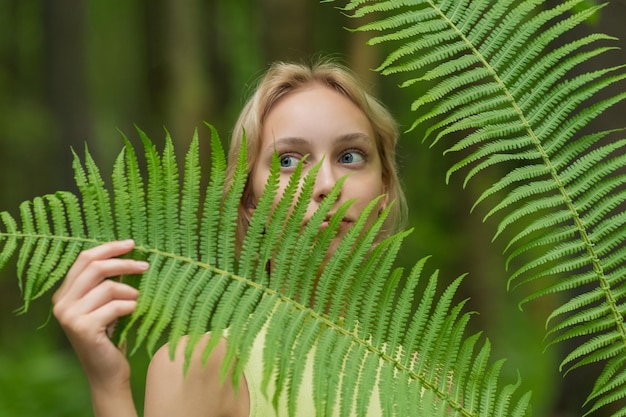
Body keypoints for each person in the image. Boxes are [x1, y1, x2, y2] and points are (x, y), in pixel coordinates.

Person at [51, 58, 407, 417]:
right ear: (250, 200)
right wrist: (109, 387)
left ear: (384, 187)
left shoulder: (439, 385)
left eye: (350, 156)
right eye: (288, 161)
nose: (327, 185)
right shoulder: (202, 370)